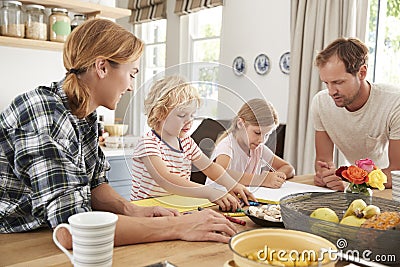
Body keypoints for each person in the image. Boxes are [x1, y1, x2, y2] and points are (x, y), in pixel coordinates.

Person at [0, 19, 239, 248]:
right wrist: (178, 226)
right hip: (14, 241)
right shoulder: (40, 112)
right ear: (102, 67)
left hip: (44, 233)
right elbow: (73, 228)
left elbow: (96, 186)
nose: (132, 86)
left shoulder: (85, 115)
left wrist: (132, 210)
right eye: (132, 73)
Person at [131, 76, 256, 211]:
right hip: (146, 211)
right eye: (182, 115)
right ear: (160, 113)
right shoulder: (148, 143)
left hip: (176, 208)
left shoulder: (186, 142)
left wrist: (232, 184)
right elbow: (165, 179)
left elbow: (210, 167)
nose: (189, 121)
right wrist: (209, 191)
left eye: (192, 115)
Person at [311, 37, 400, 196]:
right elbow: (323, 162)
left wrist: (349, 180)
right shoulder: (321, 103)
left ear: (362, 73)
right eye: (327, 83)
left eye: (338, 82)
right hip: (356, 187)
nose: (331, 92)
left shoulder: (394, 102)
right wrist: (326, 176)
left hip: (388, 188)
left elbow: (397, 172)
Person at [206, 98, 295, 189]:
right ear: (240, 124)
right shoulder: (227, 146)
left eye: (266, 135)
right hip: (216, 200)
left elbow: (288, 168)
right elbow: (221, 174)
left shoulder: (258, 148)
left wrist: (277, 177)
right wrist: (262, 180)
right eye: (257, 133)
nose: (261, 140)